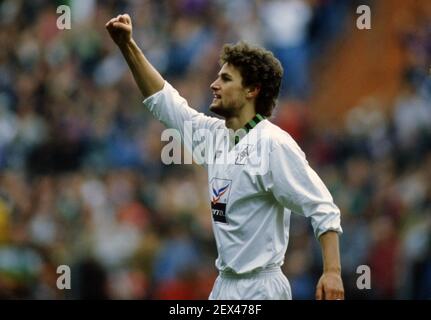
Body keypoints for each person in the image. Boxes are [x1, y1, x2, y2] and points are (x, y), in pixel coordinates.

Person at [106, 13, 344, 300]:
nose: (213, 84)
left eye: (226, 78)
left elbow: (323, 207)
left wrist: (332, 271)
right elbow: (164, 101)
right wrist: (128, 46)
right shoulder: (214, 135)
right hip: (224, 287)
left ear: (251, 90)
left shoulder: (273, 144)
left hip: (261, 288)